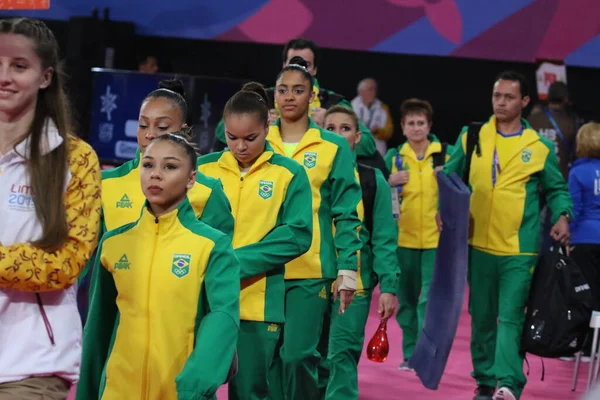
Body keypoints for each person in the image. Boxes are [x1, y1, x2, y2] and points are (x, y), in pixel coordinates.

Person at [77, 133, 240, 400]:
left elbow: (223, 318)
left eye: (170, 166)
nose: (155, 174)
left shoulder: (212, 245)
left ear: (191, 178)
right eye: (148, 164)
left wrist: (194, 387)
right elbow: (98, 328)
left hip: (180, 392)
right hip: (117, 390)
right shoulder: (114, 243)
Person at [442, 71, 573, 400]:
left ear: (525, 102)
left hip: (520, 248)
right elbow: (448, 178)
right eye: (496, 95)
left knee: (511, 317)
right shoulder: (472, 136)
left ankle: (508, 384)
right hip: (478, 245)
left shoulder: (539, 147)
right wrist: (443, 210)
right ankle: (485, 382)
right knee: (482, 318)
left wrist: (562, 215)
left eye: (508, 97)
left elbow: (556, 188)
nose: (500, 102)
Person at [0, 17, 102, 398]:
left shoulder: (76, 159)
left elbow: (66, 261)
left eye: (19, 66)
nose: (5, 76)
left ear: (45, 77)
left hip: (31, 368)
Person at [77, 79, 234, 322]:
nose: (149, 134)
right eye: (143, 125)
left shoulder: (208, 190)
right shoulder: (106, 183)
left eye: (162, 127)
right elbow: (80, 256)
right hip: (115, 320)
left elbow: (221, 270)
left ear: (183, 130)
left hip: (179, 323)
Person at [198, 82, 313, 400]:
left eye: (250, 138)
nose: (240, 146)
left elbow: (296, 235)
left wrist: (231, 264)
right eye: (232, 137)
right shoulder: (201, 170)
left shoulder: (289, 174)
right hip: (202, 299)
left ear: (268, 127)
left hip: (258, 304)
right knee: (190, 387)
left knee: (251, 392)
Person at [266, 57, 363, 400]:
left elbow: (347, 211)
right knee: (268, 362)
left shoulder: (332, 147)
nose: (289, 96)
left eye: (298, 90)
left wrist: (348, 267)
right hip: (259, 268)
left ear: (313, 96)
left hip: (310, 270)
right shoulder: (258, 143)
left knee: (297, 357)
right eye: (282, 90)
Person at [213, 38, 385, 176]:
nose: (299, 68)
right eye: (293, 62)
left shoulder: (333, 103)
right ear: (283, 65)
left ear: (315, 69)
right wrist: (255, 122)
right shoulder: (262, 98)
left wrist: (331, 126)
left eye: (306, 64)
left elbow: (368, 145)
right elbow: (222, 131)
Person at [322, 105, 399, 400]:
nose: (339, 135)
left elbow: (383, 238)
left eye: (345, 128)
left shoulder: (372, 180)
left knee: (341, 355)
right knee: (308, 357)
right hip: (309, 280)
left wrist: (389, 287)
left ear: (357, 137)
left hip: (355, 284)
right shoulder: (303, 176)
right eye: (330, 128)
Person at [384, 98, 449, 371]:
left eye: (420, 122)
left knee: (428, 300)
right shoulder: (393, 158)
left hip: (436, 240)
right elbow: (377, 197)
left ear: (429, 125)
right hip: (403, 239)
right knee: (407, 301)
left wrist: (448, 176)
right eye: (410, 123)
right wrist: (389, 181)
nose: (416, 128)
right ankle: (410, 354)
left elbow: (466, 186)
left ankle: (426, 354)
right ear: (402, 127)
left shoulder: (445, 155)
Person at [568, 122, 600, 358]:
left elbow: (574, 209)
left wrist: (565, 237)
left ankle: (579, 345)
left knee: (581, 293)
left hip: (584, 239)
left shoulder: (577, 172)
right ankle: (596, 348)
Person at [351, 78, 394, 156]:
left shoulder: (383, 108)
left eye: (375, 89)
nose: (373, 93)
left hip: (378, 152)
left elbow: (389, 132)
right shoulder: (351, 107)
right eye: (370, 90)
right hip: (358, 152)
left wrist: (377, 131)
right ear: (361, 92)